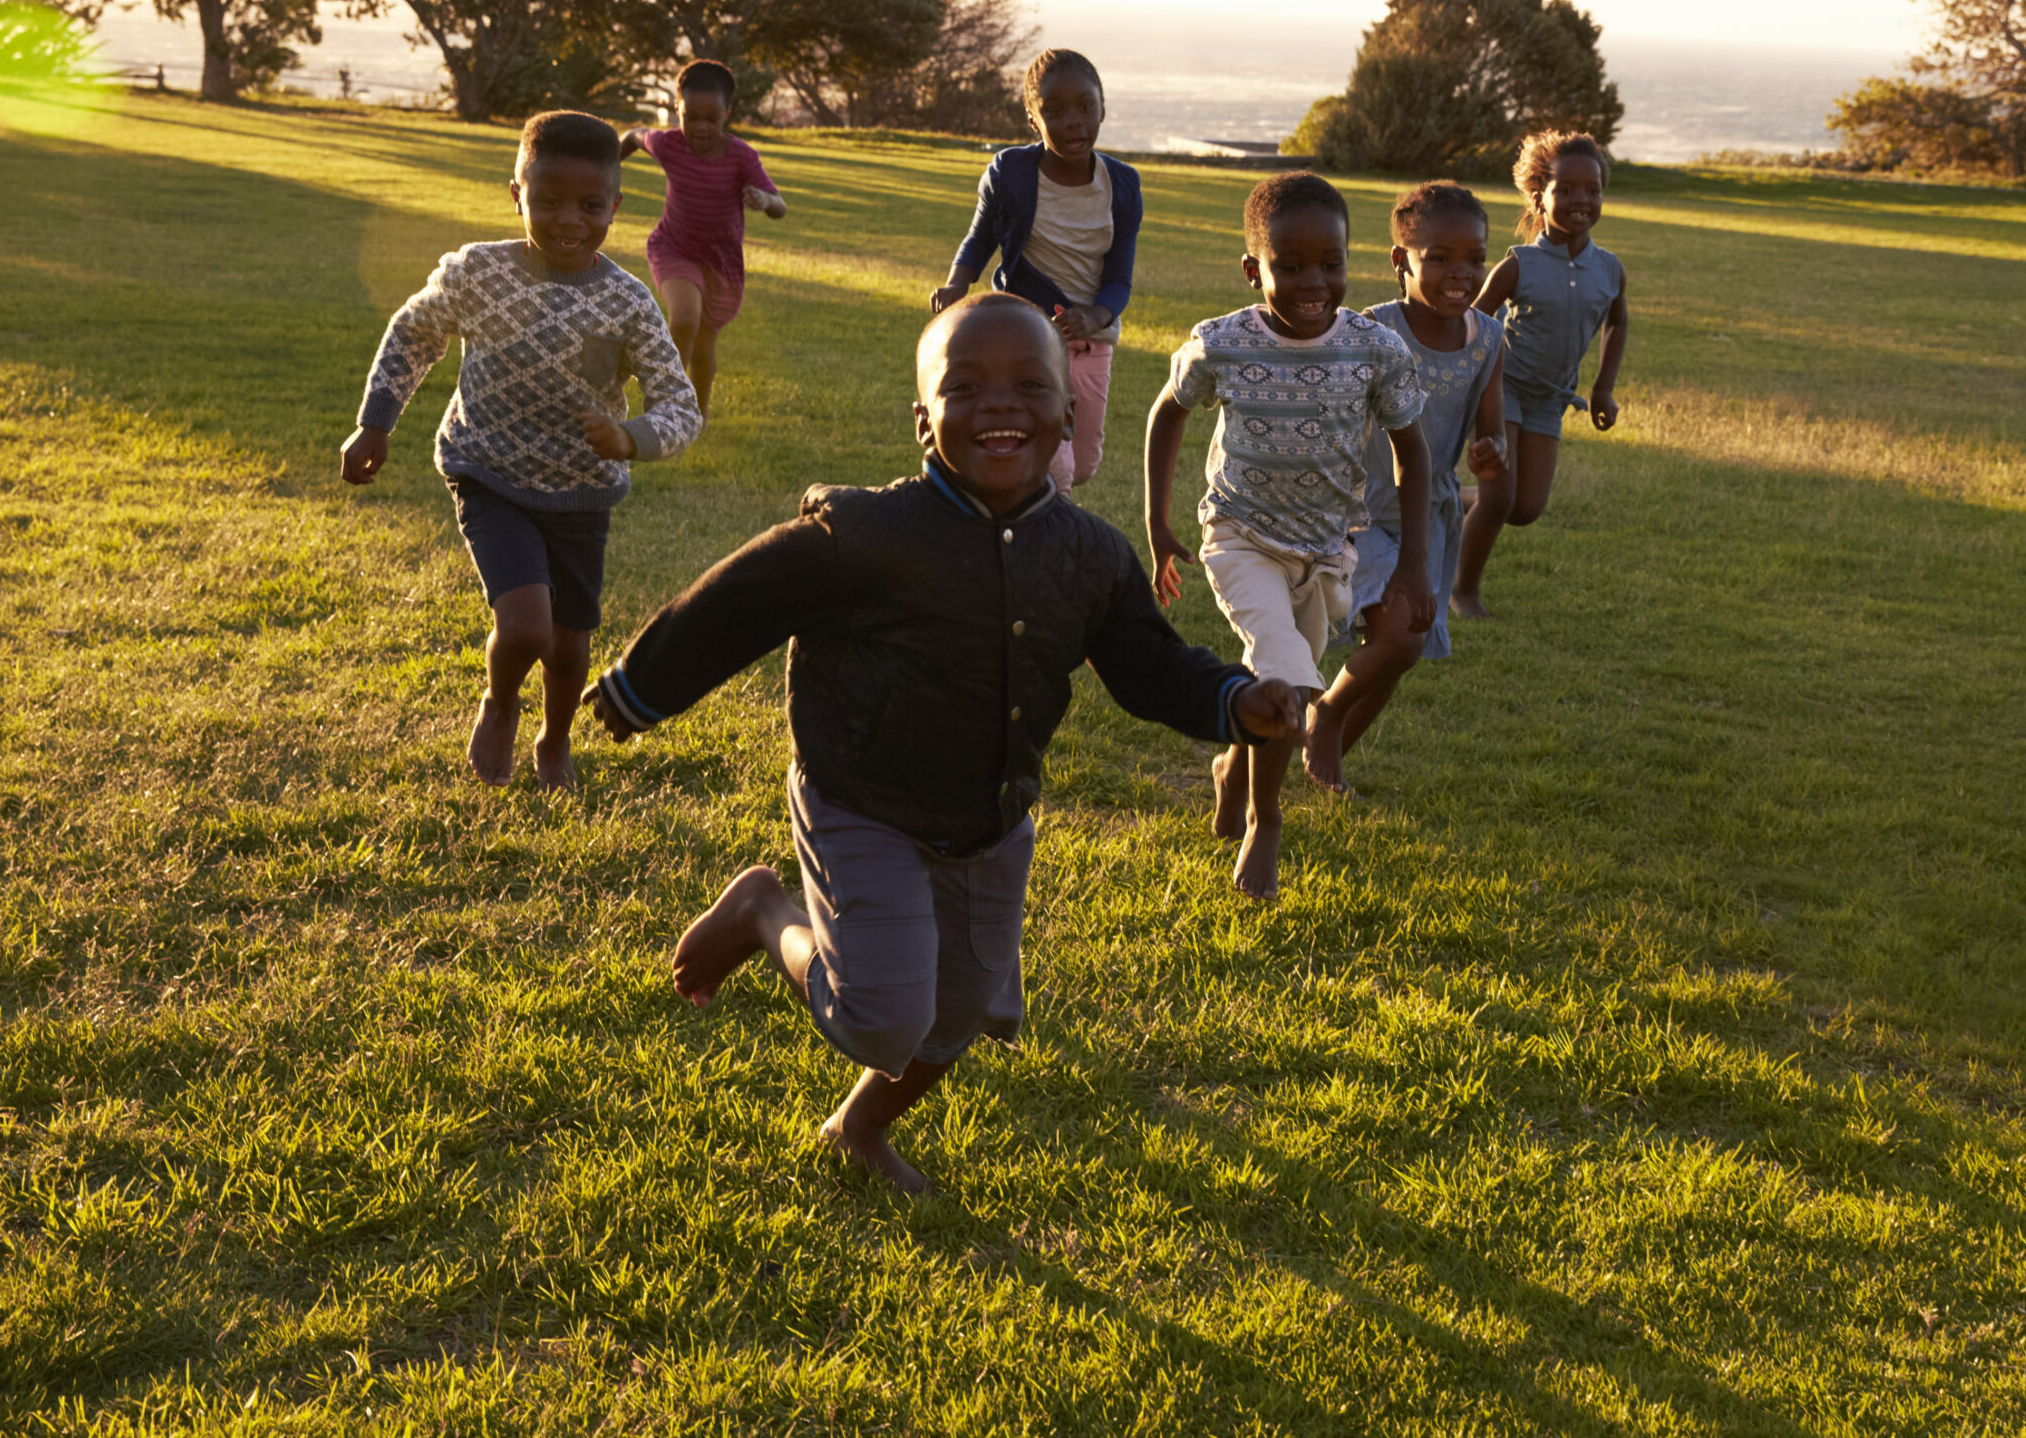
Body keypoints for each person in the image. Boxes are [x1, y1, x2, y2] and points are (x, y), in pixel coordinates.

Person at [581, 295, 1303, 1194]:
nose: (999, 405)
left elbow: (1148, 665)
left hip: (989, 819)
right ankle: (765, 911)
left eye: (1028, 385)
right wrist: (643, 684)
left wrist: (1237, 700)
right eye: (964, 388)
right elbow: (742, 598)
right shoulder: (867, 535)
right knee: (881, 1019)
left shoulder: (1088, 554)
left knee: (955, 1016)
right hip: (861, 800)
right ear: (923, 421)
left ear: (1068, 414)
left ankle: (856, 1128)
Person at [340, 110, 702, 792]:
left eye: (590, 205)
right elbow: (414, 334)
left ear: (616, 206)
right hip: (489, 472)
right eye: (549, 200)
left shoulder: (627, 303)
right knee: (528, 625)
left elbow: (682, 407)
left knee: (569, 646)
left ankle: (555, 741)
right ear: (517, 194)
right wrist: (376, 422)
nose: (570, 219)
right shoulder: (478, 271)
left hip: (581, 491)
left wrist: (631, 437)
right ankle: (501, 702)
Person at [1144, 171, 1434, 901]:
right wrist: (1158, 520)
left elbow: (1414, 451)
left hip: (1327, 550)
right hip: (1239, 535)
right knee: (1286, 679)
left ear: (1349, 260)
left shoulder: (1374, 348)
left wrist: (1412, 569)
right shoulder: (1223, 344)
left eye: (1330, 264)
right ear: (1254, 270)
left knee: (1282, 685)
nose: (1314, 282)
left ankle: (1233, 767)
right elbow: (1167, 412)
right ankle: (1264, 821)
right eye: (1291, 266)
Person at [1311, 182, 1510, 776]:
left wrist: (1490, 450)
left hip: (1433, 514)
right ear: (1402, 260)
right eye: (1440, 258)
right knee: (1398, 637)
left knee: (1404, 646)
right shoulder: (1373, 332)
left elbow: (1491, 423)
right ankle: (1323, 717)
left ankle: (1330, 754)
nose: (1462, 273)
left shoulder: (1488, 341)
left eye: (1476, 258)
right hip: (1363, 510)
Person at [928, 49, 1141, 495]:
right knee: (1055, 465)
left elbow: (1120, 277)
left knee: (1081, 463)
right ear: (1032, 119)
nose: (1072, 121)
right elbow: (980, 238)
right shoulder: (1011, 173)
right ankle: (1045, 534)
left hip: (1090, 342)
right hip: (1026, 339)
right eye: (1054, 111)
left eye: (1086, 106)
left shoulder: (1121, 185)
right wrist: (957, 282)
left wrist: (1096, 316)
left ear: (1103, 107)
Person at [1451, 131, 1629, 618]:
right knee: (1500, 496)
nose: (1581, 200)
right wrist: (1461, 382)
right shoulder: (1518, 263)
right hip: (1500, 390)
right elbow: (1473, 321)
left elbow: (1618, 321)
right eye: (1566, 190)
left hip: (1551, 399)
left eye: (1592, 190)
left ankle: (1445, 500)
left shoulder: (1610, 269)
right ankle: (1462, 591)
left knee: (1525, 508)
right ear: (1539, 197)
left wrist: (1604, 388)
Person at [619, 58, 787, 415]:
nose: (700, 127)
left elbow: (780, 206)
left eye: (711, 119)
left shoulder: (741, 157)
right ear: (677, 108)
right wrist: (605, 161)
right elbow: (635, 136)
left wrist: (764, 199)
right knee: (684, 319)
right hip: (673, 248)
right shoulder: (669, 145)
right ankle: (666, 402)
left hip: (720, 262)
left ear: (727, 113)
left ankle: (697, 415)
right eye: (691, 116)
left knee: (706, 340)